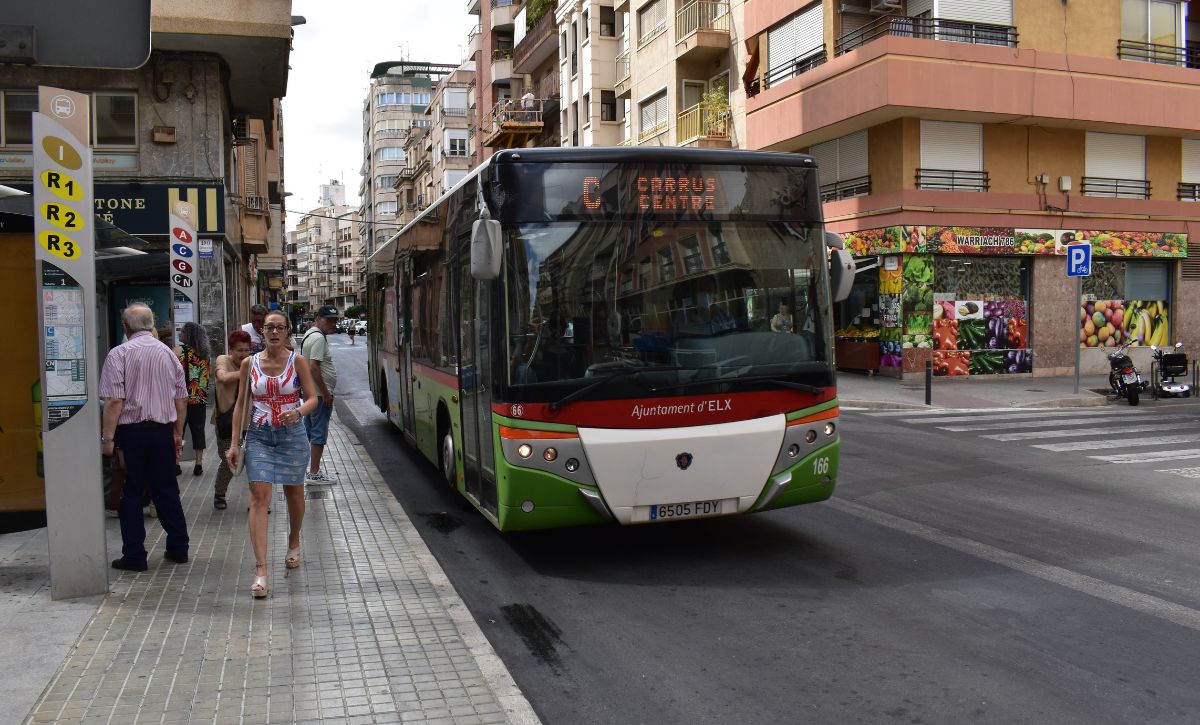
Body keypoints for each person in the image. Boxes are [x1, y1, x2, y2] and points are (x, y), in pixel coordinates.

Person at [226, 310, 320, 598]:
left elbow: (313, 398)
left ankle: (293, 542)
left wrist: (299, 412)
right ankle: (261, 571)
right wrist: (233, 444)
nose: (274, 332)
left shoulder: (298, 361)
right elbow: (241, 404)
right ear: (262, 332)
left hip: (292, 437)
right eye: (269, 328)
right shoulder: (248, 363)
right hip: (259, 437)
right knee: (258, 498)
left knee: (294, 492)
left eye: (280, 327)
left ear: (287, 331)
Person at [100, 304, 190, 571]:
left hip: (131, 434)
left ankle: (135, 555)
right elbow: (181, 400)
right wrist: (176, 433)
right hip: (161, 432)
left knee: (132, 493)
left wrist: (107, 440)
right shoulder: (169, 354)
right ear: (151, 325)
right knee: (166, 490)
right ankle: (178, 548)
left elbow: (115, 401)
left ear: (125, 327)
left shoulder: (119, 354)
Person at [211, 329, 252, 510]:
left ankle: (258, 500)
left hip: (250, 422)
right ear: (231, 350)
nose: (243, 354)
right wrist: (246, 371)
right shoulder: (223, 360)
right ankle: (219, 493)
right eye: (239, 350)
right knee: (228, 462)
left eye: (246, 350)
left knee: (255, 463)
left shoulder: (253, 362)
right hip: (226, 422)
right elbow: (223, 377)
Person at [300, 306, 339, 483]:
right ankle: (314, 473)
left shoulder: (310, 335)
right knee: (318, 434)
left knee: (309, 432)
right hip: (319, 395)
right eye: (329, 319)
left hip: (311, 394)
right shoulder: (318, 339)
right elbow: (314, 367)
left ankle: (304, 469)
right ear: (318, 318)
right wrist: (326, 393)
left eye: (335, 320)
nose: (333, 323)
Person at [174, 322, 211, 476]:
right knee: (198, 431)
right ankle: (199, 463)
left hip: (181, 398)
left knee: (178, 431)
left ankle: (176, 463)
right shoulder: (204, 353)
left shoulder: (179, 350)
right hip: (199, 398)